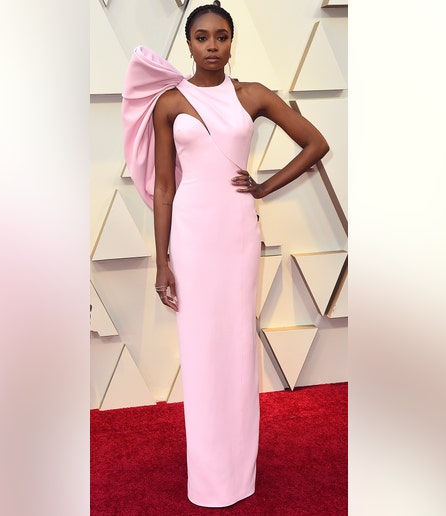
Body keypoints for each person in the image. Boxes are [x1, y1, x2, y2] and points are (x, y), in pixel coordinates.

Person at [122, 1, 329, 508]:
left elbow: (314, 143)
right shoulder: (170, 101)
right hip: (190, 236)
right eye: (202, 37)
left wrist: (263, 187)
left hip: (236, 234)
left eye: (221, 37)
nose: (212, 46)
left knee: (237, 347)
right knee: (198, 350)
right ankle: (209, 475)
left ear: (233, 42)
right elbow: (166, 188)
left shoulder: (252, 95)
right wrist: (162, 261)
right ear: (188, 44)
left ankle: (240, 471)